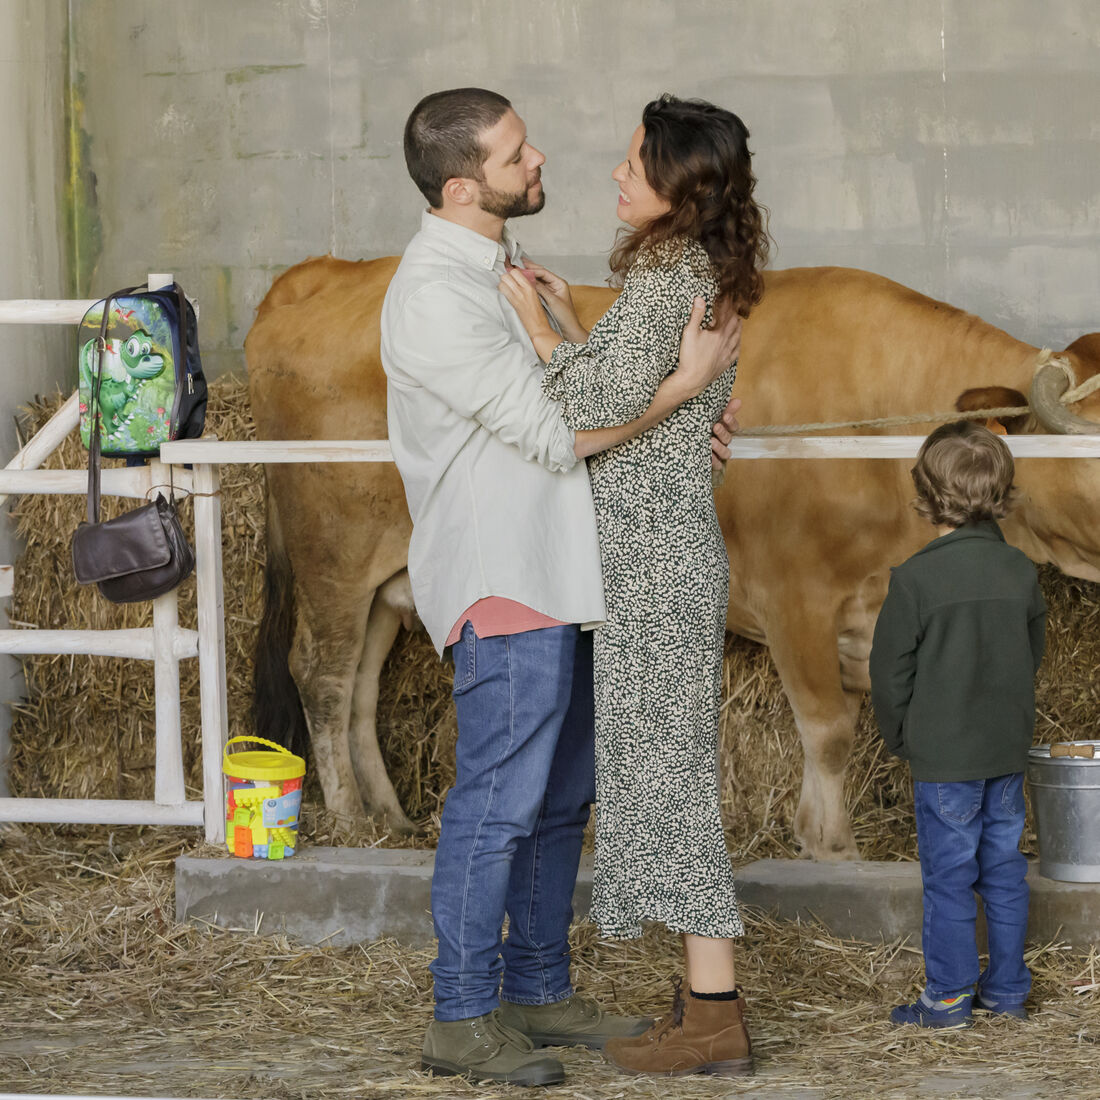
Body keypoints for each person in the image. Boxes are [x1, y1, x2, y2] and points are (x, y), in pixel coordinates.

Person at [380, 87, 743, 1087]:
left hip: (573, 569)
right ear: (463, 185)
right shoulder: (434, 295)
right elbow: (557, 431)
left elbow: (586, 395)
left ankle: (539, 985)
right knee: (498, 799)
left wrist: (680, 424)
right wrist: (677, 396)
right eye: (513, 152)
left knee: (557, 798)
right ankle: (461, 1013)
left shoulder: (499, 271)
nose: (539, 157)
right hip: (507, 571)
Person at [498, 93, 770, 1078]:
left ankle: (714, 1016)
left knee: (671, 788)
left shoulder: (667, 282)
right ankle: (700, 1000)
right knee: (657, 780)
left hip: (652, 567)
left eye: (633, 167)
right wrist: (577, 321)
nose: (615, 177)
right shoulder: (680, 272)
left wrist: (534, 327)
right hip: (653, 556)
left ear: (678, 187)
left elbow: (578, 411)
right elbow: (636, 407)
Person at [870, 420, 1046, 1029]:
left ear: (924, 493)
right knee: (1004, 871)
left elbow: (889, 673)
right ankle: (1007, 992)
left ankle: (946, 999)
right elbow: (1032, 655)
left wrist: (902, 737)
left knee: (949, 880)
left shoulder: (915, 580)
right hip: (1005, 754)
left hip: (945, 762)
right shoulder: (1021, 571)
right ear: (1003, 492)